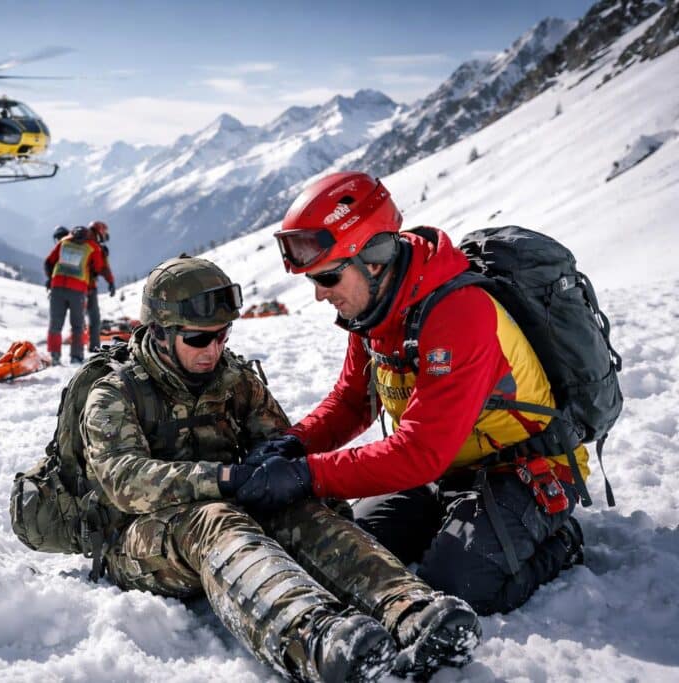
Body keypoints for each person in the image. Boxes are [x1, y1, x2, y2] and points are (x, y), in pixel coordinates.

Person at [78, 255, 480, 681]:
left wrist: (296, 485)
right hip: (137, 539)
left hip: (224, 523)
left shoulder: (233, 380)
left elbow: (275, 451)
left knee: (290, 502)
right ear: (159, 334)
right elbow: (125, 480)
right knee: (214, 519)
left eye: (221, 335)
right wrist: (224, 479)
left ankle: (409, 608)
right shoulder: (115, 394)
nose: (213, 350)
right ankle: (313, 639)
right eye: (198, 339)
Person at [243, 171, 587, 616]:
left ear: (373, 258)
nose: (319, 295)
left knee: (458, 584)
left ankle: (562, 541)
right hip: (446, 467)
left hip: (524, 468)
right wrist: (294, 443)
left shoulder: (459, 313)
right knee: (352, 553)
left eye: (328, 278)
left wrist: (306, 474)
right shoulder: (374, 310)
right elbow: (352, 401)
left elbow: (421, 451)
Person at [44, 226, 114, 365]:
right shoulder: (92, 246)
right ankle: (76, 356)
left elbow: (49, 262)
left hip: (57, 286)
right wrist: (109, 280)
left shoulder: (63, 241)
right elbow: (99, 267)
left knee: (55, 324)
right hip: (78, 289)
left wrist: (52, 279)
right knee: (77, 325)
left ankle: (55, 356)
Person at [84, 220, 116, 353]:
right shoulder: (95, 247)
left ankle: (82, 348)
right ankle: (93, 347)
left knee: (82, 319)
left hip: (80, 286)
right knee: (94, 319)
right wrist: (111, 282)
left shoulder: (80, 243)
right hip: (87, 286)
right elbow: (101, 267)